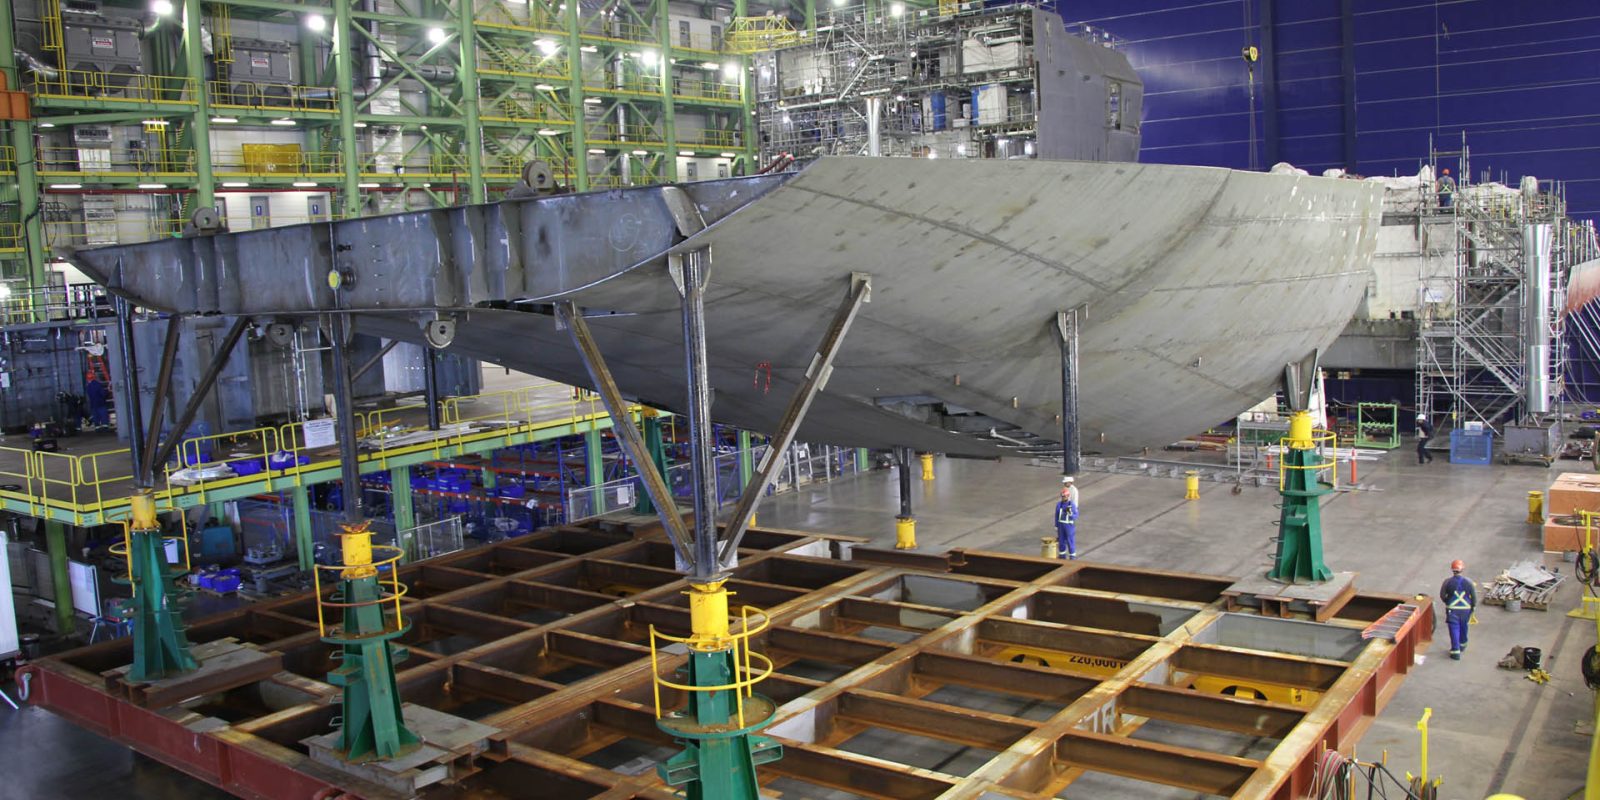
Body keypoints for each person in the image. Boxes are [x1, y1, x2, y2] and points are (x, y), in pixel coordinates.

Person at [1440, 559, 1476, 660]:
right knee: (1464, 626)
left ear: (1452, 569)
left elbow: (1442, 595)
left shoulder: (1447, 582)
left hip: (1452, 610)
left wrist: (1448, 602)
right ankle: (1463, 644)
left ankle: (1455, 651)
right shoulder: (1468, 582)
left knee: (1454, 629)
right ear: (1462, 569)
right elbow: (1474, 596)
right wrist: (1473, 607)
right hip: (1465, 609)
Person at [1053, 482, 1078, 560]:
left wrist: (1070, 515)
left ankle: (1072, 557)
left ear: (1068, 496)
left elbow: (1076, 516)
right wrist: (1056, 525)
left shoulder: (1072, 505)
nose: (1063, 498)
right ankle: (1062, 556)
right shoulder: (1059, 504)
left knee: (1070, 541)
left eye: (1065, 496)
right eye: (1062, 496)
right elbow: (1056, 515)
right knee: (1061, 541)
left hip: (1069, 526)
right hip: (1061, 525)